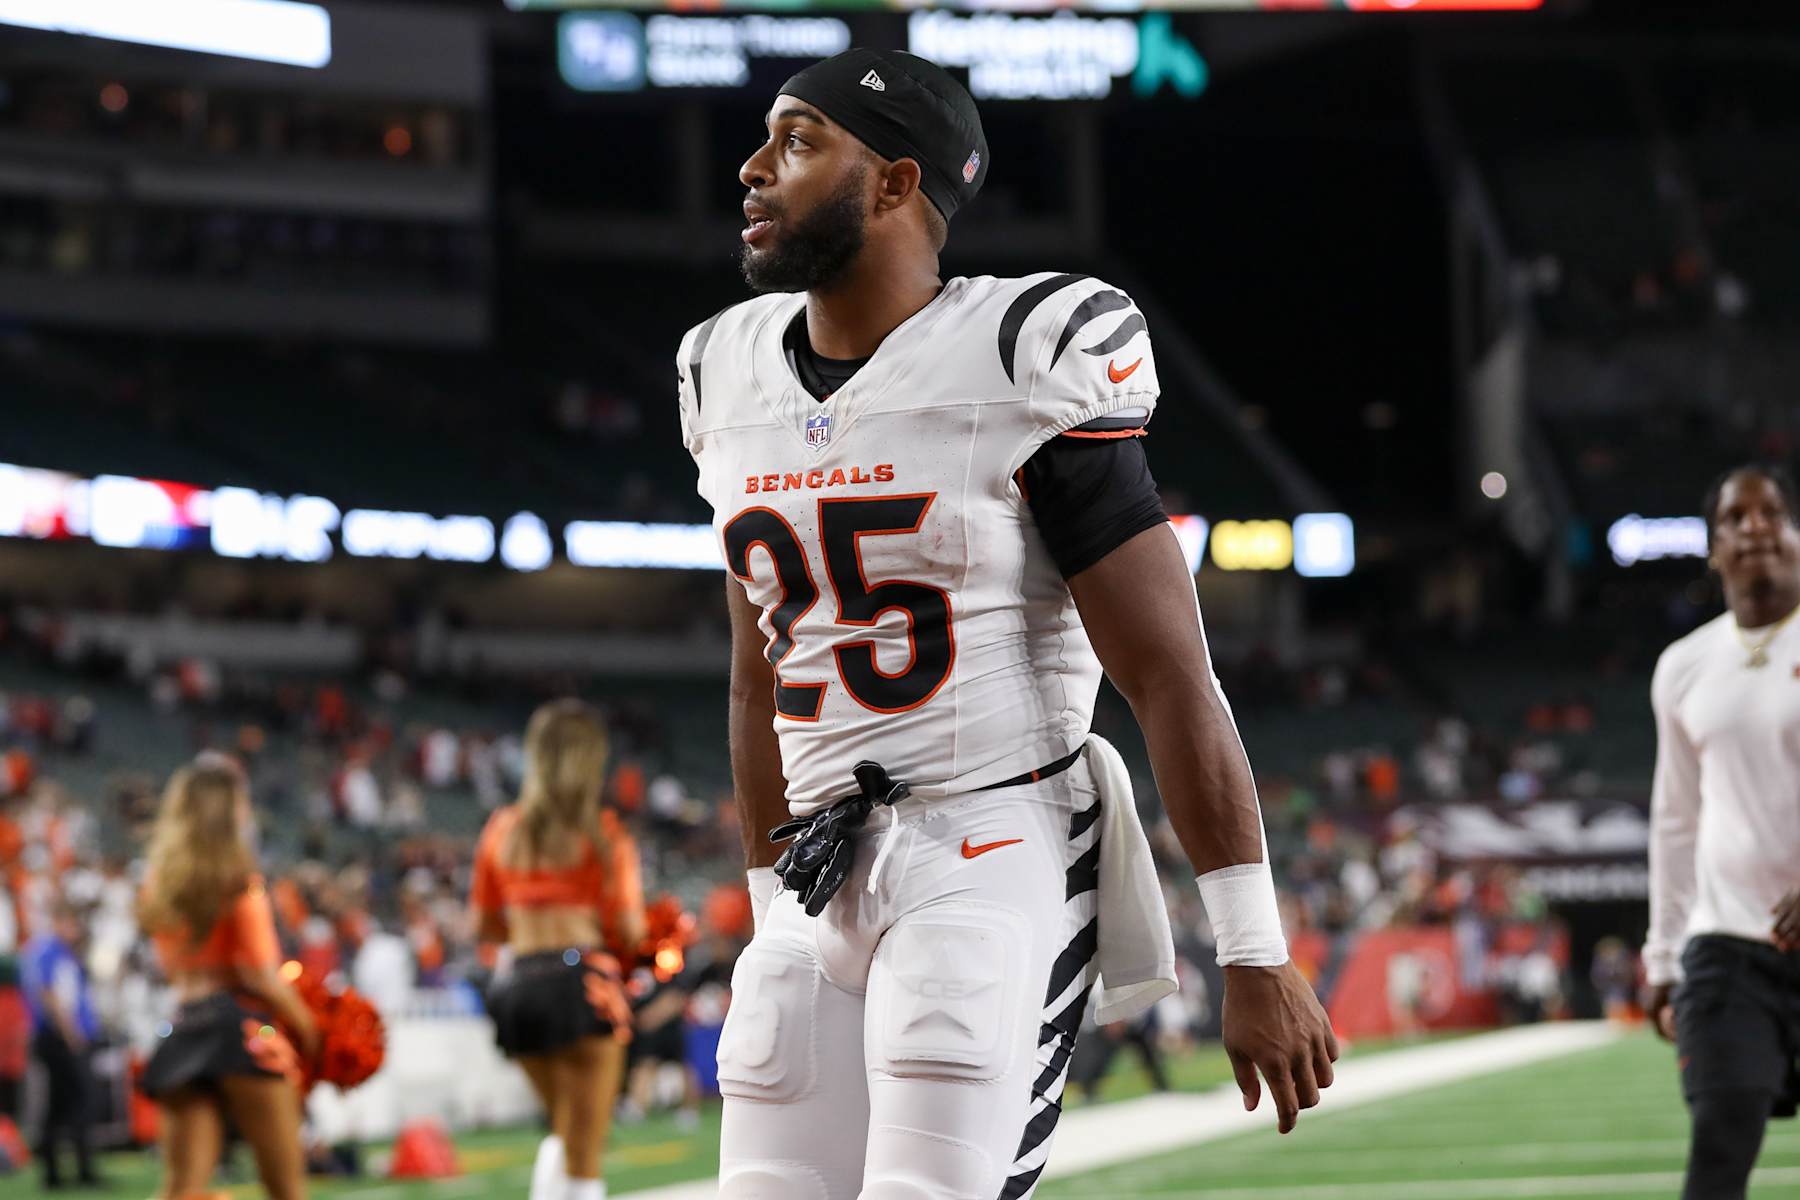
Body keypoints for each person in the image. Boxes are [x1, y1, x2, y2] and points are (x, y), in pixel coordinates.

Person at [675, 47, 1337, 1199]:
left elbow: (1172, 674)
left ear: (894, 184)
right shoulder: (724, 376)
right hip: (821, 859)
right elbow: (755, 679)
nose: (753, 169)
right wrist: (777, 902)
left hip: (989, 840)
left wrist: (1253, 947)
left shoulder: (1024, 353)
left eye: (796, 141)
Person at [1644, 464, 1800, 1200]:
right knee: (1717, 1156)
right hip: (1726, 947)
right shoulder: (1683, 667)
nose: (1755, 527)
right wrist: (1662, 955)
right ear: (1714, 549)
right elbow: (1675, 818)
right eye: (1735, 519)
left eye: (1771, 512)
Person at [471, 700, 647, 1200]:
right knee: (585, 1151)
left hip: (518, 986)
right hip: (584, 984)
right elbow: (628, 929)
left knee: (563, 1128)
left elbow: (484, 925)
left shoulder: (502, 830)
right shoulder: (605, 833)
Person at [138, 755, 318, 1200]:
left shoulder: (159, 885)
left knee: (180, 1189)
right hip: (241, 1031)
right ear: (231, 810)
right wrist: (313, 1028)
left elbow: (169, 968)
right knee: (286, 1189)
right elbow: (259, 973)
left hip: (183, 1030)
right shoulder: (241, 881)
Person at [21, 899, 102, 1190]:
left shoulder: (66, 954)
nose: (74, 929)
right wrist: (72, 1034)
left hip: (66, 1037)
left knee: (61, 1105)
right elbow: (50, 995)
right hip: (59, 1039)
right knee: (77, 1102)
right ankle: (76, 1171)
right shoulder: (47, 951)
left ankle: (59, 1174)